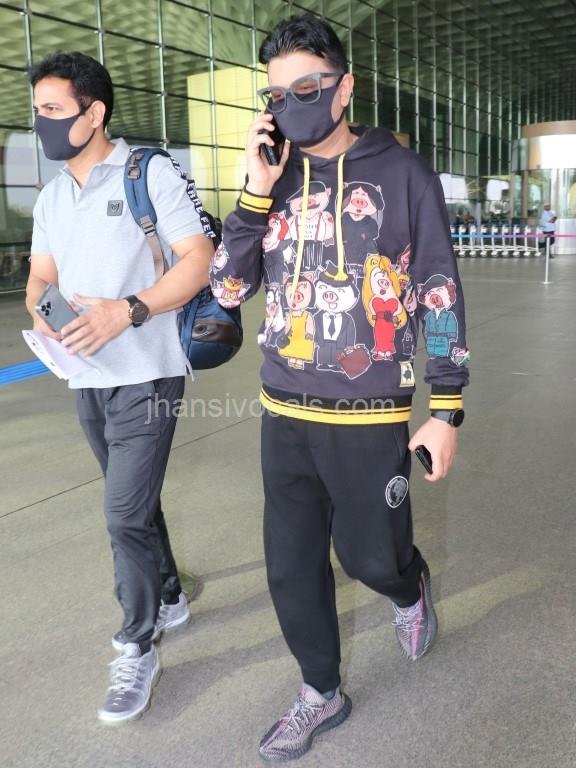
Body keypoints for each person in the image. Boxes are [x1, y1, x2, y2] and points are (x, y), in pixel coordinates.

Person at [212, 14, 470, 763]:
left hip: (369, 411)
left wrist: (446, 407)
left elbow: (438, 288)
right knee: (291, 566)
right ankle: (320, 691)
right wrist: (255, 192)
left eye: (307, 88)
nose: (289, 105)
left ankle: (407, 588)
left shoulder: (402, 174)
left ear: (344, 86)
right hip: (283, 410)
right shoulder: (273, 179)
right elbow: (228, 289)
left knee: (371, 559)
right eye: (276, 95)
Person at [25, 52, 214, 723]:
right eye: (37, 111)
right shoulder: (52, 196)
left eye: (52, 109)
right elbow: (40, 276)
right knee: (131, 500)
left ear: (94, 111)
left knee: (121, 515)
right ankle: (170, 594)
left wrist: (125, 311)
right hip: (86, 376)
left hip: (147, 372)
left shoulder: (148, 172)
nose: (41, 123)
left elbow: (199, 259)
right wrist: (44, 313)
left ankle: (137, 641)